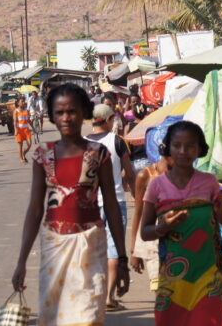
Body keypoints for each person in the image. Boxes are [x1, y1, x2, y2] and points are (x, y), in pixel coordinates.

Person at [11, 84, 130, 326]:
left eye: (72, 111)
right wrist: (21, 261)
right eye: (60, 112)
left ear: (84, 112)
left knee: (88, 317)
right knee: (53, 318)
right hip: (54, 247)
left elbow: (111, 206)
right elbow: (35, 209)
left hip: (90, 246)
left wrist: (123, 259)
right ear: (52, 116)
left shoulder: (99, 154)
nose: (66, 118)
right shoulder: (43, 155)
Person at [140, 121, 222, 326]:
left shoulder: (209, 182)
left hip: (208, 273)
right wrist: (164, 227)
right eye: (177, 145)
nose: (183, 151)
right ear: (167, 147)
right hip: (174, 280)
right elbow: (145, 232)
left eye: (190, 146)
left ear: (199, 149)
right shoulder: (156, 185)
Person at [87, 104, 135, 311]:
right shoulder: (117, 142)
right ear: (108, 120)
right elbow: (129, 171)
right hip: (115, 202)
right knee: (114, 251)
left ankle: (93, 297)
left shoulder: (83, 143)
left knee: (92, 252)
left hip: (90, 205)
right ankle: (109, 297)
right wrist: (134, 190)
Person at [128, 155, 172, 292]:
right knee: (161, 290)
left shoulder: (183, 175)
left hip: (179, 241)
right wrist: (135, 251)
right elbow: (139, 213)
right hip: (153, 242)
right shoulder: (145, 175)